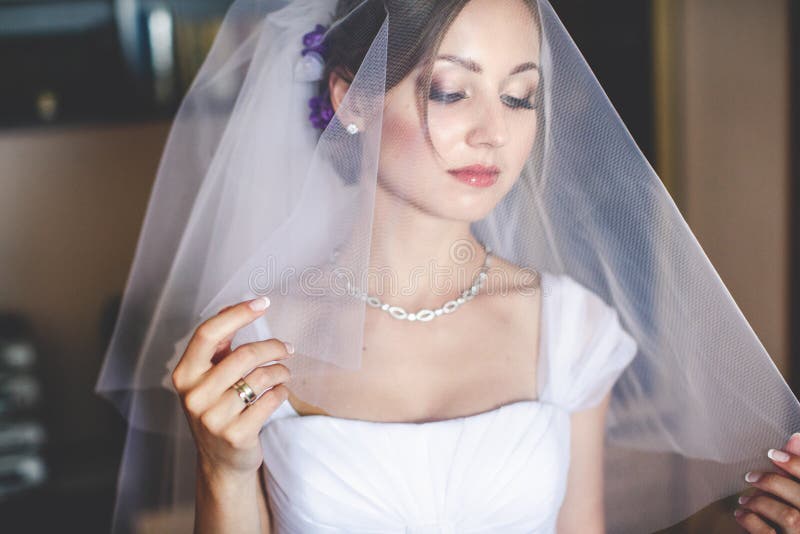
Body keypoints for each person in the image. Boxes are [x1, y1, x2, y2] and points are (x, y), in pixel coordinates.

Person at [96, 1, 800, 532]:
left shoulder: (569, 328)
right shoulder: (256, 343)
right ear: (352, 99)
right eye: (451, 90)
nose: (495, 132)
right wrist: (221, 469)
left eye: (519, 96)